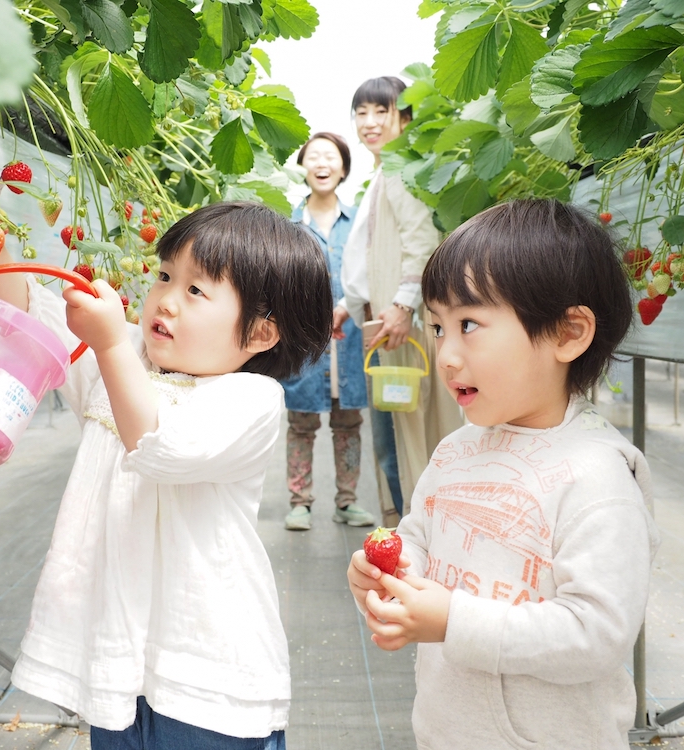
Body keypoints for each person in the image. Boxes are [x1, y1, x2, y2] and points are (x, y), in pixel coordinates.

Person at [0, 202, 333, 748]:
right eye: (165, 275)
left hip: (208, 679)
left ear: (260, 333)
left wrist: (111, 343)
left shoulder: (251, 400)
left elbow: (159, 446)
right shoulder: (126, 364)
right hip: (119, 670)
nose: (164, 298)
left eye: (196, 290)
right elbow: (27, 317)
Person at [346, 199, 660, 749]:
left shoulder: (597, 480)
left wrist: (453, 622)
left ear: (568, 333)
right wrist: (392, 573)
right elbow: (420, 537)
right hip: (446, 732)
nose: (445, 354)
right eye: (438, 327)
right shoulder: (454, 453)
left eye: (469, 325)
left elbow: (597, 633)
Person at [335, 76, 463, 527]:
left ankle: (415, 533)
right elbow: (372, 256)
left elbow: (421, 242)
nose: (368, 122)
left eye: (381, 111)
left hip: (398, 328)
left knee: (405, 431)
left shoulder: (402, 168)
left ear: (405, 117)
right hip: (386, 325)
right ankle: (409, 528)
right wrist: (349, 307)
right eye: (361, 113)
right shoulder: (387, 171)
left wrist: (403, 305)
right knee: (395, 428)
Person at [281, 132, 375, 531]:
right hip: (305, 342)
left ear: (343, 168)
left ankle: (347, 502)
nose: (322, 164)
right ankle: (299, 502)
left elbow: (371, 274)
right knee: (301, 423)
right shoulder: (288, 224)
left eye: (330, 157)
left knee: (348, 424)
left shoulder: (360, 222)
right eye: (314, 156)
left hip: (349, 340)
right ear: (302, 166)